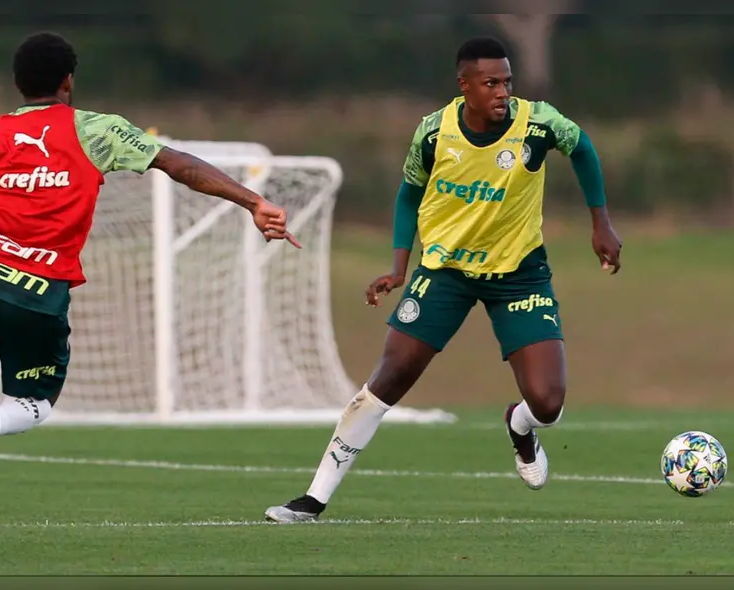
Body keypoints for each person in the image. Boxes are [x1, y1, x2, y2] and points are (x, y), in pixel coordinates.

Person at [0, 31, 300, 555]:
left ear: (18, 84)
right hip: (37, 292)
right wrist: (251, 201)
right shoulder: (96, 130)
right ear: (68, 82)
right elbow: (181, 166)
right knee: (34, 405)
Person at [264, 36, 622, 523]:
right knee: (388, 378)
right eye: (491, 83)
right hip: (445, 272)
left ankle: (519, 426)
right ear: (465, 86)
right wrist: (398, 265)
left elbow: (582, 148)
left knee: (548, 402)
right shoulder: (434, 133)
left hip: (519, 273)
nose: (503, 93)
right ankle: (312, 499)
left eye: (508, 82)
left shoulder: (538, 123)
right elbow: (409, 195)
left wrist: (600, 221)